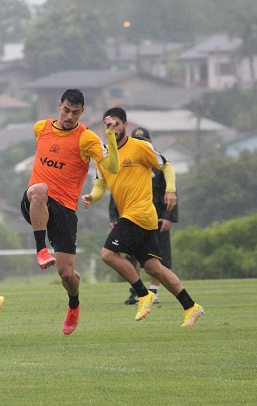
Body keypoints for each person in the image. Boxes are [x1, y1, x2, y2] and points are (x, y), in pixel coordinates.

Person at [82, 107, 204, 327]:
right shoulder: (103, 155)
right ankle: (191, 307)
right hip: (134, 217)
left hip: (140, 213)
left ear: (125, 125)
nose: (112, 128)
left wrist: (171, 190)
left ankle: (142, 293)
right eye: (108, 125)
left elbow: (166, 166)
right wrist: (93, 196)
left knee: (108, 254)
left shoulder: (140, 146)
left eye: (116, 124)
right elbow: (101, 183)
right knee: (153, 268)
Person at [20, 88, 120, 335]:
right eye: (66, 110)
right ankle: (41, 249)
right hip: (36, 201)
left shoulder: (87, 138)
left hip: (64, 210)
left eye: (75, 113)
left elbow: (113, 167)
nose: (69, 117)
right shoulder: (40, 128)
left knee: (66, 274)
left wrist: (109, 136)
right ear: (59, 106)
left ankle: (74, 303)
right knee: (39, 190)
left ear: (82, 112)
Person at [108, 127, 179, 306]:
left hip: (157, 218)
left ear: (151, 141)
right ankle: (137, 291)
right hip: (132, 217)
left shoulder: (158, 163)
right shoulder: (126, 159)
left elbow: (171, 191)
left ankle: (153, 291)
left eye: (144, 140)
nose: (141, 143)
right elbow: (116, 191)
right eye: (137, 140)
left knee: (158, 257)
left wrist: (170, 217)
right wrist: (114, 217)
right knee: (134, 256)